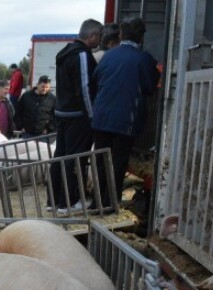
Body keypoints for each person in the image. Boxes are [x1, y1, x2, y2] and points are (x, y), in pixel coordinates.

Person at [92, 17, 160, 206]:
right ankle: (110, 203)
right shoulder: (144, 59)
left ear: (121, 35)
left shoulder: (108, 56)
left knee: (101, 161)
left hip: (101, 117)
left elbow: (96, 79)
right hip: (126, 120)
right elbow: (150, 86)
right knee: (118, 161)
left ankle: (97, 201)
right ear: (141, 37)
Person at [50, 18, 103, 213]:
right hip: (77, 115)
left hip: (63, 112)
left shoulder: (65, 52)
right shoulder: (81, 54)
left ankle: (53, 200)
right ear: (92, 36)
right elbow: (85, 87)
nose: (100, 41)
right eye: (99, 36)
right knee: (75, 158)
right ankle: (69, 202)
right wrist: (91, 116)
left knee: (61, 155)